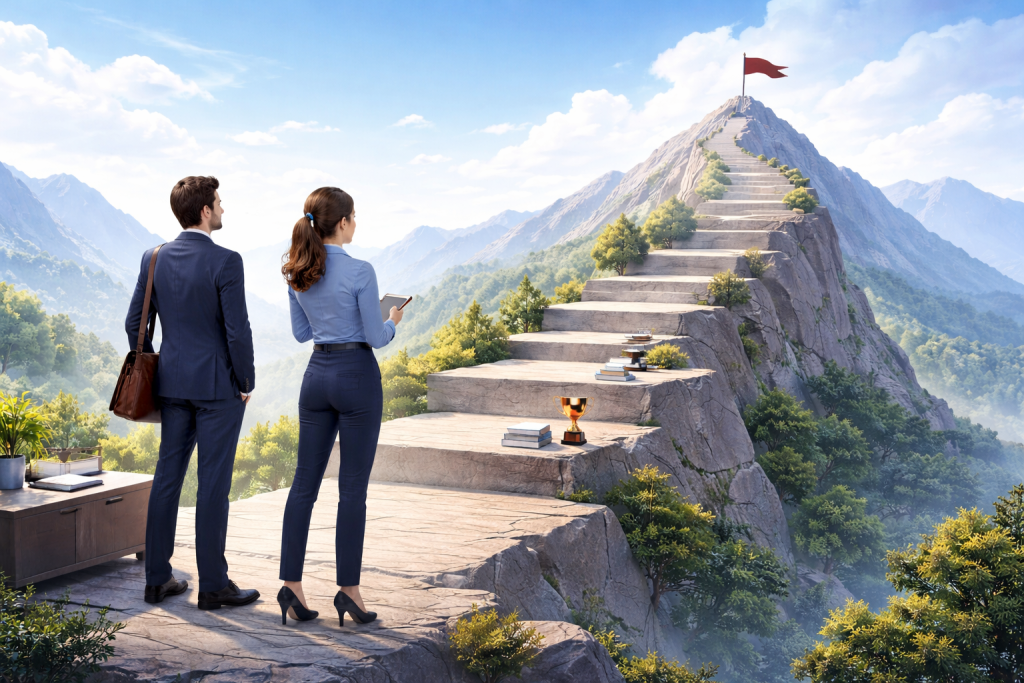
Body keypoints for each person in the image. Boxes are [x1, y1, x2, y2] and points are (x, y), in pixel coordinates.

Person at [126, 176, 260, 611]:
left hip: (171, 385)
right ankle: (214, 587)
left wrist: (157, 361)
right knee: (212, 486)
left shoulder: (154, 257)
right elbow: (238, 331)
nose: (223, 209)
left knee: (167, 479)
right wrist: (245, 382)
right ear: (204, 211)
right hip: (219, 388)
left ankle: (157, 580)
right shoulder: (227, 261)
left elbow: (135, 325)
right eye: (219, 202)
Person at [275, 186, 402, 627]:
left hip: (316, 379)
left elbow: (300, 333)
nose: (355, 223)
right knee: (352, 490)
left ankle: (290, 586)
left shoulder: (296, 270)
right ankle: (348, 591)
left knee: (303, 485)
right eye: (354, 217)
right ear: (343, 222)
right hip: (356, 377)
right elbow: (374, 337)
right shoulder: (361, 270)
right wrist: (392, 322)